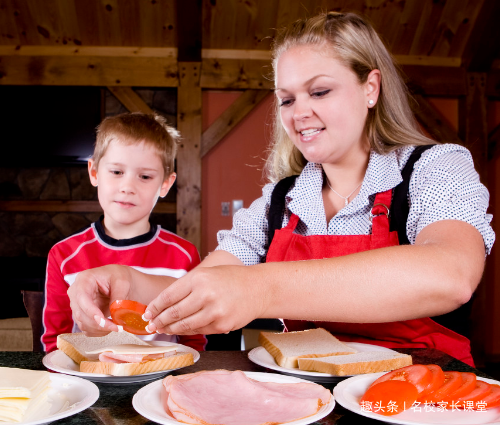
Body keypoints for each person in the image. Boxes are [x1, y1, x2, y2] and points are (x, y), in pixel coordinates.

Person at [67, 12, 494, 365]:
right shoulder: (281, 199)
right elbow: (207, 285)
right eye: (287, 99)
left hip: (425, 394)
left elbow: (451, 274)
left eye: (320, 91)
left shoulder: (435, 167)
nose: (299, 113)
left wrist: (259, 288)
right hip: (313, 394)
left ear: (371, 88)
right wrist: (126, 283)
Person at [41, 112, 207, 352]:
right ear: (94, 172)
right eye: (117, 172)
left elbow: (193, 340)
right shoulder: (63, 254)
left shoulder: (184, 255)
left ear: (165, 185)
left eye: (145, 176)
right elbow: (55, 341)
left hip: (160, 379)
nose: (128, 187)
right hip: (89, 378)